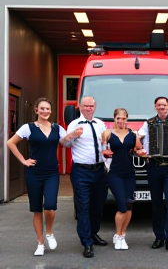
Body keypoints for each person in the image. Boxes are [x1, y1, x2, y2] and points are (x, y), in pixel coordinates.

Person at [6, 97, 72, 256]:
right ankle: (40, 243)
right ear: (36, 110)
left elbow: (66, 143)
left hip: (51, 173)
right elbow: (10, 143)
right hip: (34, 173)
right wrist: (24, 161)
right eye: (42, 109)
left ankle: (49, 233)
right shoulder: (28, 128)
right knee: (36, 210)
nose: (45, 111)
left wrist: (73, 135)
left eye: (48, 109)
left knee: (50, 206)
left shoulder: (57, 128)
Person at [138, 96, 168, 254]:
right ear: (155, 107)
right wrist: (141, 150)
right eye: (159, 105)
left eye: (164, 105)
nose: (162, 107)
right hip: (154, 166)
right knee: (156, 202)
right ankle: (159, 236)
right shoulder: (148, 123)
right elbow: (138, 137)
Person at [65, 96, 108, 258]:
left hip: (99, 170)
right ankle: (86, 242)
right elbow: (66, 144)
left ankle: (93, 233)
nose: (89, 108)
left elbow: (105, 143)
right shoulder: (74, 125)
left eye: (91, 106)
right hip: (81, 171)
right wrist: (73, 136)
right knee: (83, 206)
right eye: (86, 106)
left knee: (98, 205)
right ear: (80, 107)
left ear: (95, 107)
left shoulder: (100, 124)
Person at [101, 108, 145, 250]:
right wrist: (105, 151)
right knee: (121, 205)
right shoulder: (108, 134)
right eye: (118, 118)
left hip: (129, 173)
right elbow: (100, 150)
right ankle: (117, 234)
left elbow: (139, 149)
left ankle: (122, 235)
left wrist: (141, 152)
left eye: (124, 118)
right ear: (114, 119)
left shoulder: (132, 135)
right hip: (115, 173)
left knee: (129, 205)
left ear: (127, 119)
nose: (121, 121)